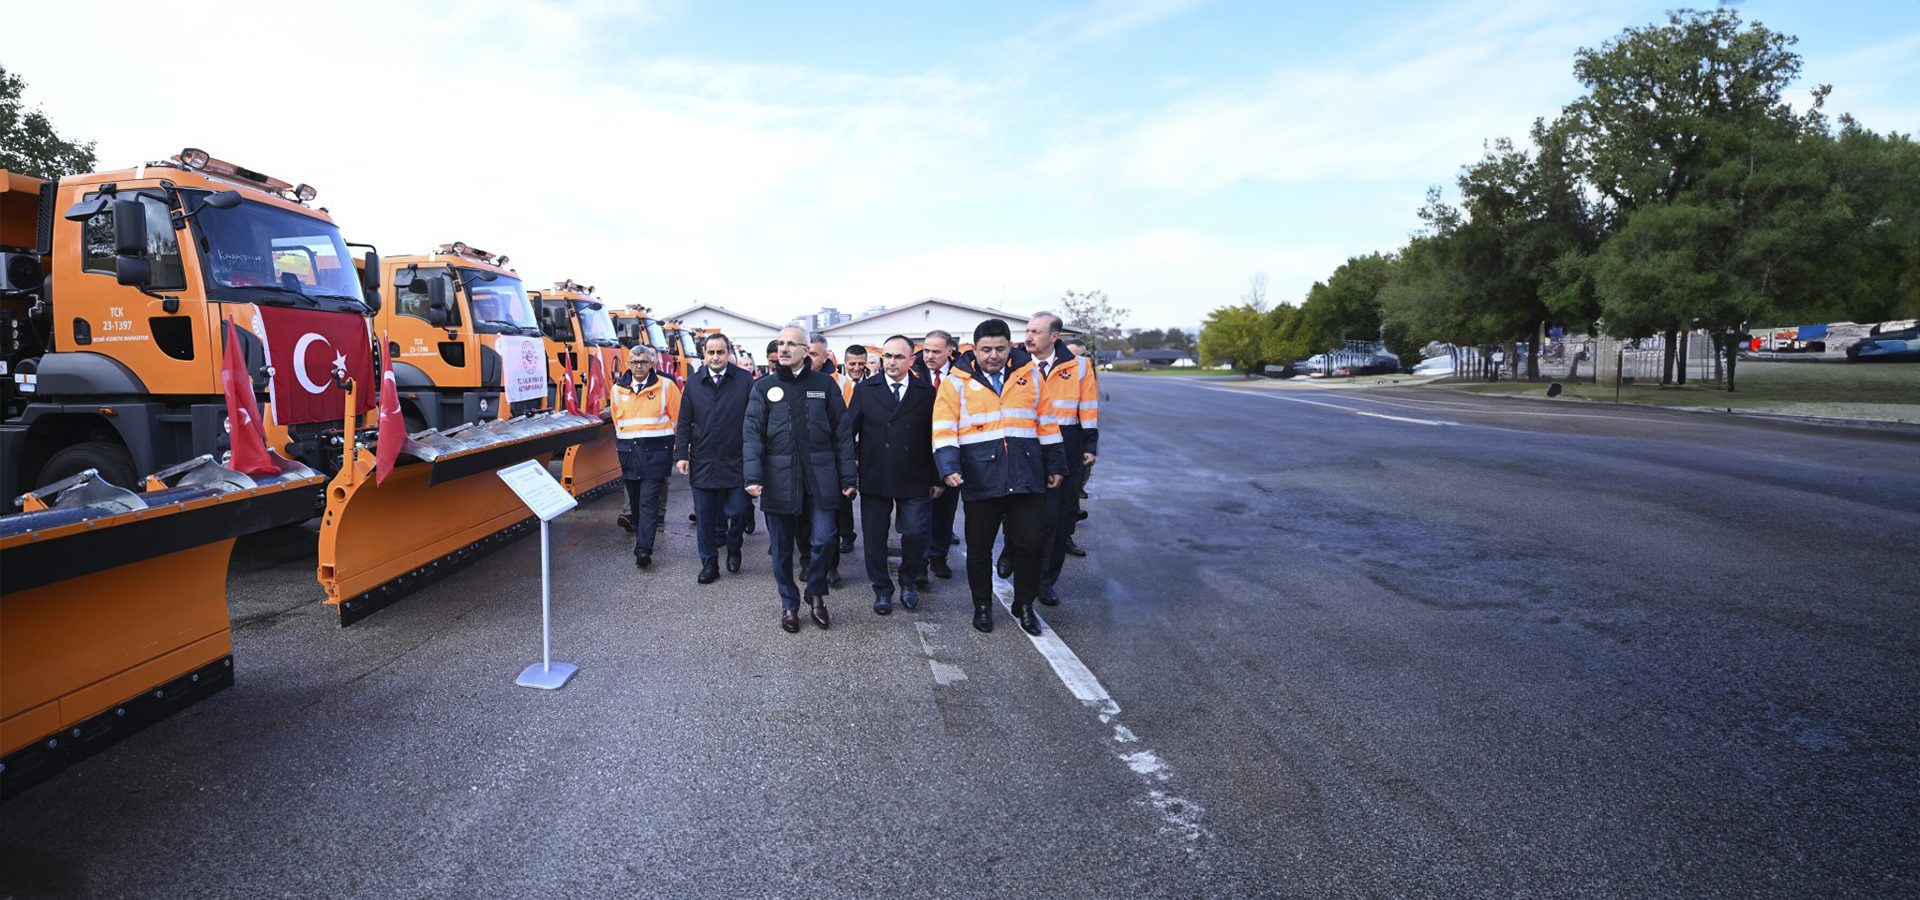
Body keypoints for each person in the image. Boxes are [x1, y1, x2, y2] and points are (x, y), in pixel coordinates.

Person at [933, 319, 1063, 635]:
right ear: (973, 349)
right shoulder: (956, 382)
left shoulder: (1030, 375)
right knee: (979, 547)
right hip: (980, 477)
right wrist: (949, 467)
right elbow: (944, 428)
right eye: (986, 349)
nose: (993, 355)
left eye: (1000, 348)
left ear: (1010, 347)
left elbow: (1046, 421)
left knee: (1031, 543)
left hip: (1026, 473)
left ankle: (1025, 604)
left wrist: (1056, 464)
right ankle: (982, 607)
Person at [744, 326, 857, 633]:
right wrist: (753, 475)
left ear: (806, 351)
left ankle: (816, 592)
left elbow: (842, 434)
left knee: (824, 539)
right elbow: (752, 434)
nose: (784, 349)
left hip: (819, 477)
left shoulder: (825, 385)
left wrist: (848, 476)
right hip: (777, 478)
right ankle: (789, 605)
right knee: (781, 550)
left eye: (791, 344)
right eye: (781, 343)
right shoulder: (764, 387)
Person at [997, 312, 1098, 606]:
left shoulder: (1079, 366)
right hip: (1025, 442)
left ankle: (1045, 581)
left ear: (1054, 336)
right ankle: (1010, 550)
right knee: (1017, 505)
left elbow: (1088, 407)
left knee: (1057, 517)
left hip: (1065, 443)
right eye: (1027, 330)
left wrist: (1090, 444)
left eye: (1036, 332)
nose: (1028, 337)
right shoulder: (1013, 361)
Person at [847, 335, 941, 615]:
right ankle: (882, 589)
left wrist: (937, 478)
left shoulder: (925, 392)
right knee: (875, 537)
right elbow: (847, 431)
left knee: (915, 532)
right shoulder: (866, 390)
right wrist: (847, 473)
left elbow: (935, 437)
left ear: (912, 360)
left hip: (915, 474)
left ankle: (909, 580)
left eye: (899, 357)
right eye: (887, 356)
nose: (891, 362)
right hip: (876, 474)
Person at [675, 332, 755, 584]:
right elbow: (684, 422)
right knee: (705, 518)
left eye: (721, 352)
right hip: (703, 461)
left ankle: (734, 544)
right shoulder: (694, 383)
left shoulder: (744, 381)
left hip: (737, 460)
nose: (716, 357)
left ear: (729, 353)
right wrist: (681, 455)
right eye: (711, 352)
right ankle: (709, 564)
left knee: (740, 509)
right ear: (704, 354)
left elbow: (755, 420)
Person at [611, 346, 680, 568]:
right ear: (628, 364)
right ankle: (643, 534)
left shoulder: (666, 386)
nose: (638, 366)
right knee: (636, 501)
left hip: (656, 451)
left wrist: (674, 448)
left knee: (649, 500)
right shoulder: (617, 390)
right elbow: (616, 420)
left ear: (652, 363)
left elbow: (677, 418)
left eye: (643, 361)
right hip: (629, 452)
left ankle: (643, 549)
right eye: (634, 362)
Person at [912, 329, 971, 584]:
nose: (929, 356)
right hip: (919, 449)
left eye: (936, 351)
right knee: (920, 510)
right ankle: (920, 563)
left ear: (950, 351)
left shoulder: (963, 376)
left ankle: (939, 556)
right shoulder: (913, 372)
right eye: (926, 350)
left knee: (945, 509)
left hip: (951, 450)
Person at [831, 344, 871, 559]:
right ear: (844, 364)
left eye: (860, 364)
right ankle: (847, 533)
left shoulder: (875, 383)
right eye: (852, 364)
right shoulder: (838, 384)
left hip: (868, 445)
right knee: (844, 492)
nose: (856, 368)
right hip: (845, 444)